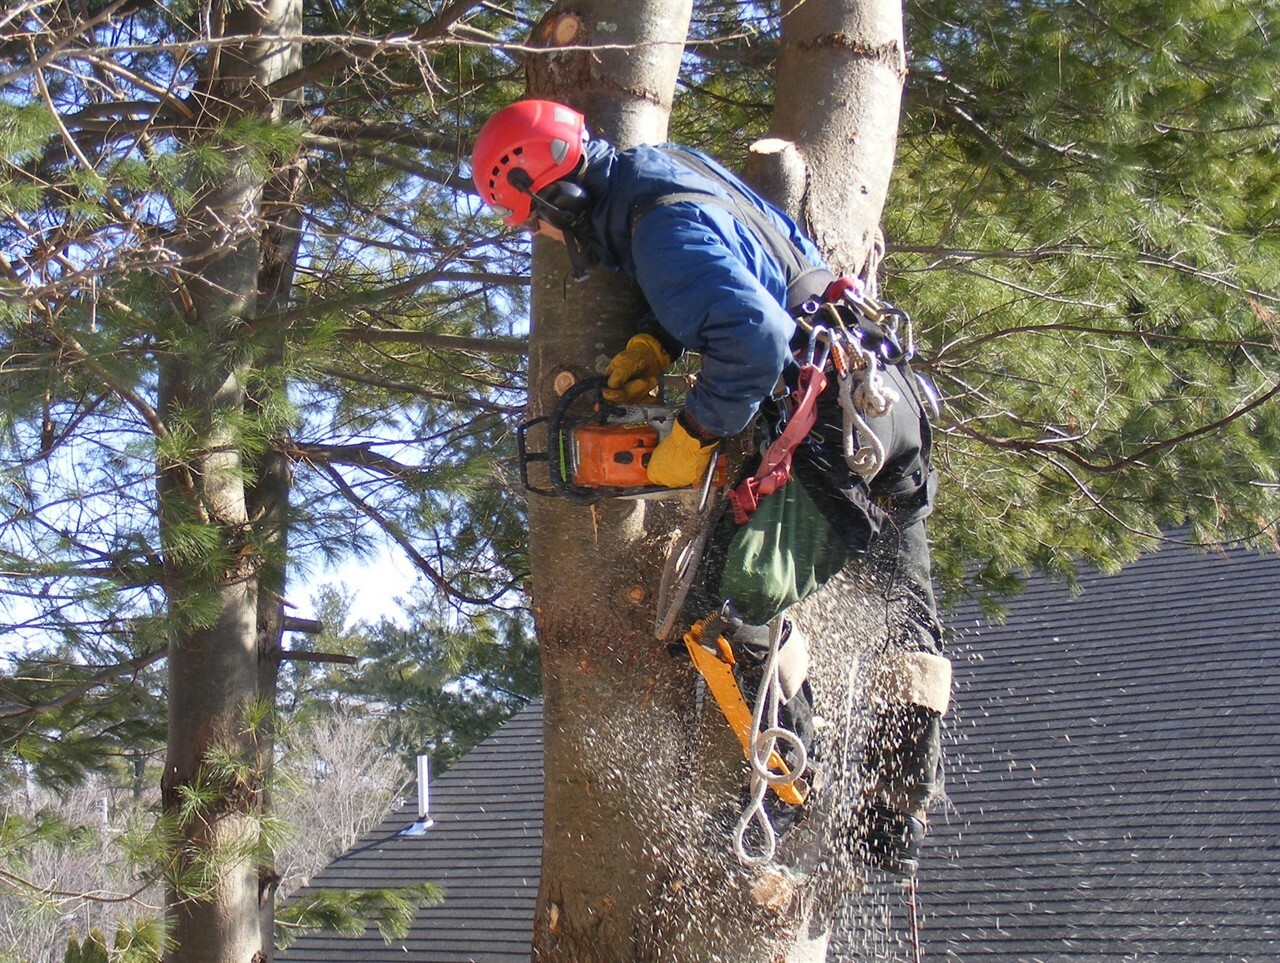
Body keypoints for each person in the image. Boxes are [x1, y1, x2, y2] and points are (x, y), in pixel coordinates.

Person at [471, 99, 951, 876]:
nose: (541, 235)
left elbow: (755, 339)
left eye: (533, 218)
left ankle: (806, 800)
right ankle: (898, 815)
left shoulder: (654, 230)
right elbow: (730, 266)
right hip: (885, 397)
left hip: (831, 432)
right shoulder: (666, 174)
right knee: (905, 619)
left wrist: (693, 433)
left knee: (726, 610)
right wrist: (657, 338)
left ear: (555, 195)